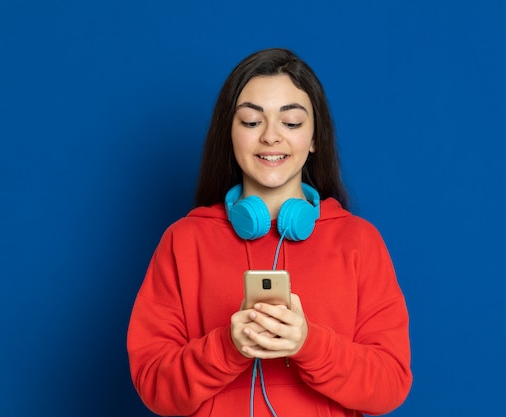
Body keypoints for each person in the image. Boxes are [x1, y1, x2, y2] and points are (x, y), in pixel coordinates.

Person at [127, 48, 412, 416]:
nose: (271, 138)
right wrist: (228, 346)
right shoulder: (184, 241)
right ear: (229, 135)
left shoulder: (359, 241)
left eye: (291, 123)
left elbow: (390, 385)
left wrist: (309, 344)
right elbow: (154, 385)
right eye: (250, 122)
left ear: (314, 140)